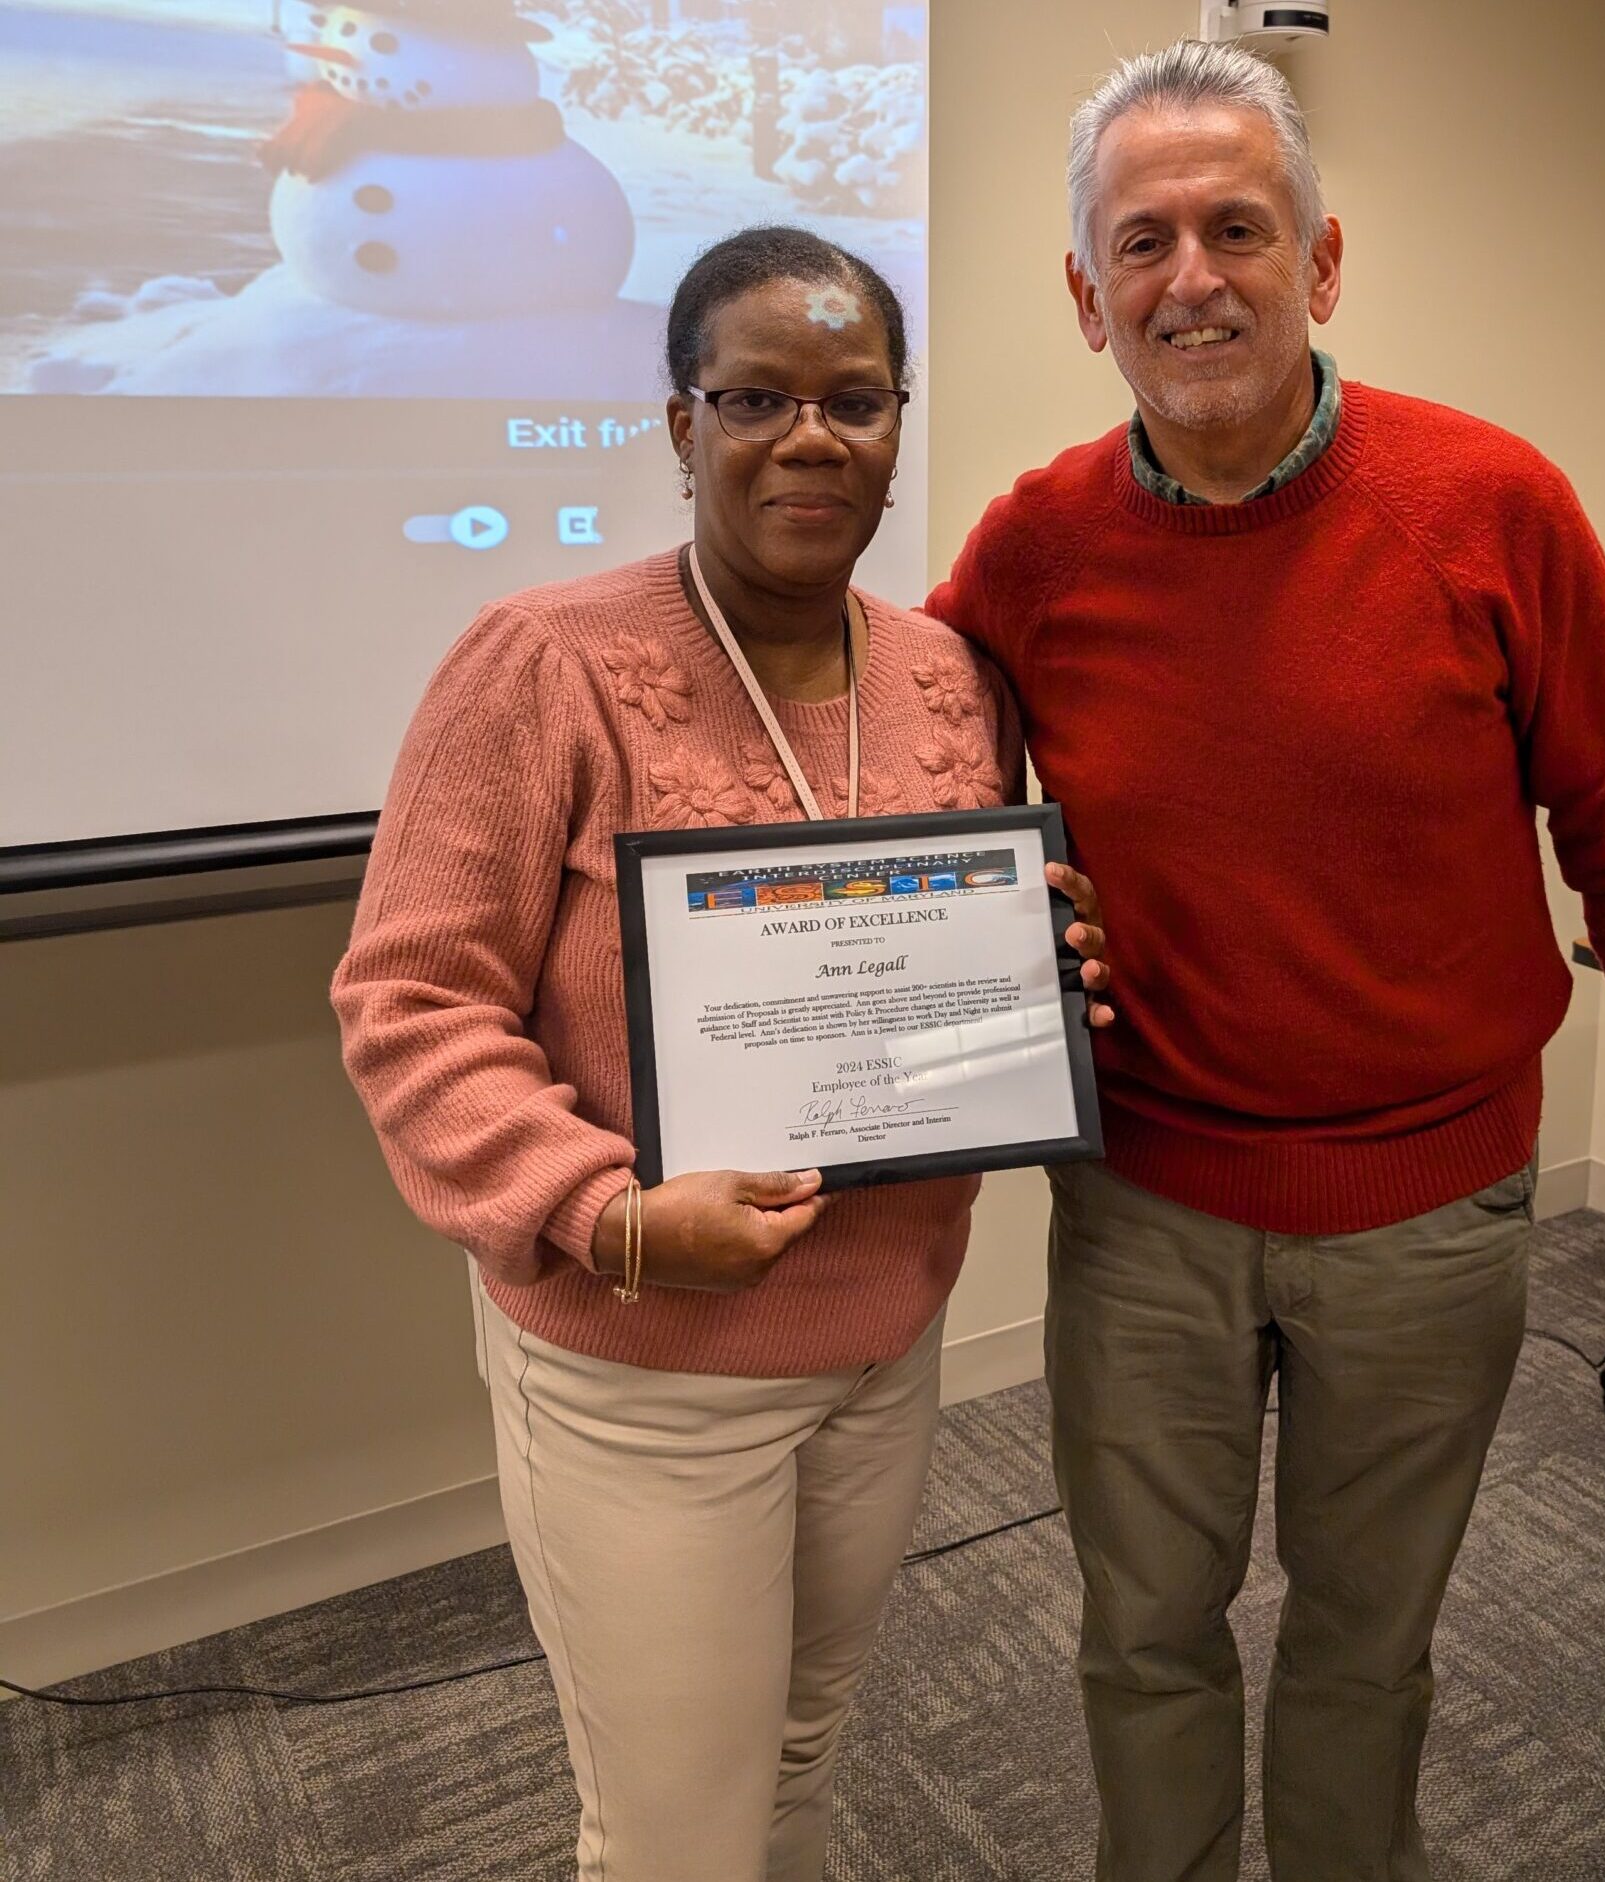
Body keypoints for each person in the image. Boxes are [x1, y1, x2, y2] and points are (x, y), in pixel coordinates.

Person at [924, 40, 1605, 1882]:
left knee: (1361, 1646)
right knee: (1142, 1637)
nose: (1193, 277)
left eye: (1241, 226)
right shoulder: (1032, 547)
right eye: (1141, 242)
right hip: (1146, 1203)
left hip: (1430, 1205)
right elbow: (908, 806)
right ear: (1087, 298)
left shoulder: (1493, 508)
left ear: (1322, 265)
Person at [331, 224, 1111, 1882]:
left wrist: (1037, 974)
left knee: (805, 1754)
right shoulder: (541, 663)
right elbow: (411, 1003)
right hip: (644, 1364)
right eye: (756, 396)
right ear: (681, 424)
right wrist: (608, 1210)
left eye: (854, 398)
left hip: (887, 1335)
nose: (809, 437)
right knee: (678, 1832)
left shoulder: (952, 676)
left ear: (901, 426)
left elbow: (940, 960)